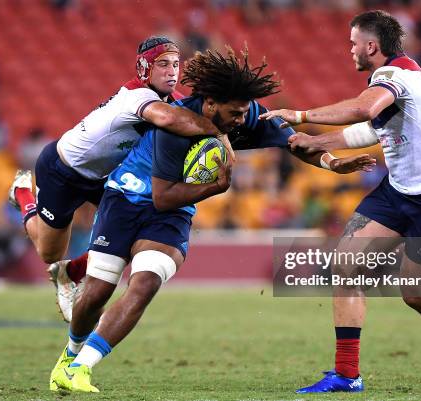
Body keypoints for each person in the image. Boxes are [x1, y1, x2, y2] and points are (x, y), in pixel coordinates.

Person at [49, 46, 376, 393]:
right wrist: (215, 188)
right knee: (98, 292)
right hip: (126, 201)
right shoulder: (173, 126)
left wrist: (331, 162)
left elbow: (292, 140)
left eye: (244, 112)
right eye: (234, 113)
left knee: (144, 283)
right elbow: (163, 196)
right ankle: (69, 357)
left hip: (170, 216)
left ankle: (81, 368)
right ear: (209, 105)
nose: (241, 119)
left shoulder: (245, 115)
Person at [259, 10, 421, 393]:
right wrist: (315, 141)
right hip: (398, 193)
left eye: (354, 42)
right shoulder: (399, 80)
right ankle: (346, 374)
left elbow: (363, 109)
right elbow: (366, 129)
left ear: (371, 46)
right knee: (345, 267)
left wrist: (301, 115)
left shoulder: (393, 76)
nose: (351, 50)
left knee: (415, 293)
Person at [8, 36, 234, 320]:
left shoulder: (171, 100)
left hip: (102, 176)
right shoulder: (137, 96)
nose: (172, 71)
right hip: (62, 170)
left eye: (176, 64)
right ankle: (23, 196)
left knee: (129, 226)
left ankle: (72, 272)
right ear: (144, 69)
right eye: (163, 64)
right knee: (49, 252)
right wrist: (218, 133)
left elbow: (193, 115)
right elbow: (168, 120)